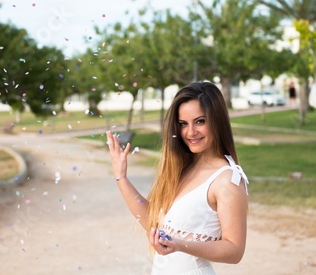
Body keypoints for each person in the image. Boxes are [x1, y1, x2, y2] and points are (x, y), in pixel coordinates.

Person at [107, 81, 249, 275]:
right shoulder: (184, 168)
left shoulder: (227, 179)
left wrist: (181, 245)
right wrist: (121, 178)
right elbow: (153, 223)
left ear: (217, 121)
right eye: (183, 124)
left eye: (200, 121)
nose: (190, 132)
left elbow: (234, 250)